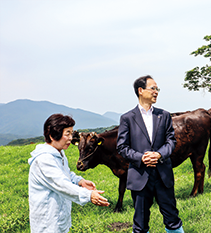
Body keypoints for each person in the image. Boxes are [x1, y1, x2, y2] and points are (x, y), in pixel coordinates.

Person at [117, 75, 184, 233]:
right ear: (141, 91)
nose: (156, 92)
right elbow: (122, 147)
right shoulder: (127, 118)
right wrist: (142, 157)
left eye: (157, 89)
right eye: (153, 88)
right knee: (140, 223)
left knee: (172, 218)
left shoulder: (164, 115)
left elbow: (171, 142)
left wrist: (159, 155)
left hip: (163, 176)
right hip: (140, 175)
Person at [28, 114, 109, 233]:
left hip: (58, 218)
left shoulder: (58, 153)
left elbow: (65, 173)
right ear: (52, 135)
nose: (71, 138)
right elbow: (62, 184)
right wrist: (89, 195)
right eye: (67, 133)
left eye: (71, 133)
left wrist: (79, 181)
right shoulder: (44, 160)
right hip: (47, 223)